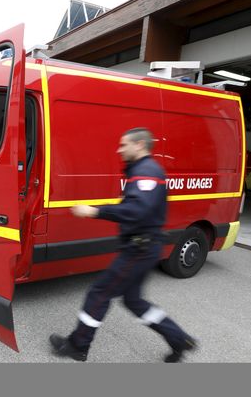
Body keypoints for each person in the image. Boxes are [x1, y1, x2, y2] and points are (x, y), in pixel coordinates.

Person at [49, 127, 197, 363]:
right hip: (144, 247)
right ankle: (179, 339)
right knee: (134, 301)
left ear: (139, 145)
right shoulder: (142, 170)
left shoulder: (146, 171)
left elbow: (137, 210)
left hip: (139, 249)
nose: (119, 149)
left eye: (123, 145)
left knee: (99, 293)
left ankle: (78, 345)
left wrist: (94, 211)